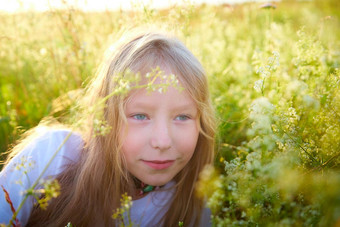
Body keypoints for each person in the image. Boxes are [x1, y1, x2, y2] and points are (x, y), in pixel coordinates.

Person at [0, 29, 216, 226]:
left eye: (182, 117)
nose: (163, 142)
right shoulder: (53, 155)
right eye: (140, 116)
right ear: (105, 118)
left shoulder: (191, 207)